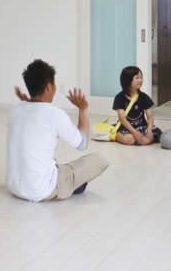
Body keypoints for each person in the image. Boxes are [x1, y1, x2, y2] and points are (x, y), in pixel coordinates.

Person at [8, 59, 110, 201]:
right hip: (42, 190)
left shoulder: (15, 110)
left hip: (14, 186)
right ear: (49, 87)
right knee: (101, 158)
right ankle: (71, 185)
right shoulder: (53, 113)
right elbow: (82, 143)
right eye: (54, 84)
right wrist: (83, 109)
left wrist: (26, 101)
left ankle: (69, 180)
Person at [112, 66, 161, 146]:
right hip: (126, 127)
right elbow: (122, 119)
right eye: (137, 78)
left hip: (142, 126)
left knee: (147, 138)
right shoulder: (119, 97)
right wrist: (134, 132)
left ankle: (139, 139)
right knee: (130, 140)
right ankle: (117, 135)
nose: (140, 80)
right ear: (128, 79)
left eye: (141, 77)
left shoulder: (144, 97)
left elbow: (150, 117)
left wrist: (149, 129)